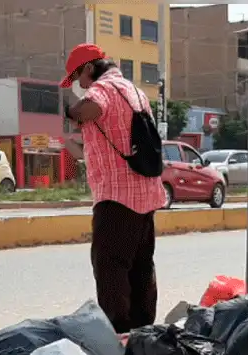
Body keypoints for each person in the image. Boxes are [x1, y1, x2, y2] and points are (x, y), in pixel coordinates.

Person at [60, 43, 165, 334]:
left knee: (111, 267)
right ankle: (143, 333)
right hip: (145, 194)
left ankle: (119, 335)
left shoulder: (102, 90)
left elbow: (87, 110)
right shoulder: (135, 92)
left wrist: (71, 110)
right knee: (141, 266)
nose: (80, 85)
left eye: (78, 77)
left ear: (90, 68)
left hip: (118, 198)